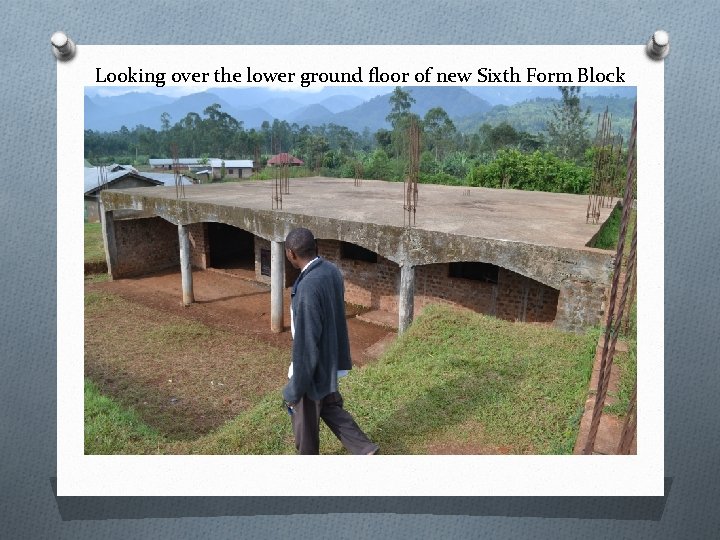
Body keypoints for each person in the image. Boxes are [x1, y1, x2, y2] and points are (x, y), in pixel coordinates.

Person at [282, 227, 379, 455]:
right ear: (315, 247)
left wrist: (295, 389)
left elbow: (307, 344)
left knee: (304, 422)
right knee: (331, 408)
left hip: (313, 365)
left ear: (291, 254)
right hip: (331, 357)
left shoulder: (307, 288)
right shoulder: (331, 270)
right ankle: (364, 449)